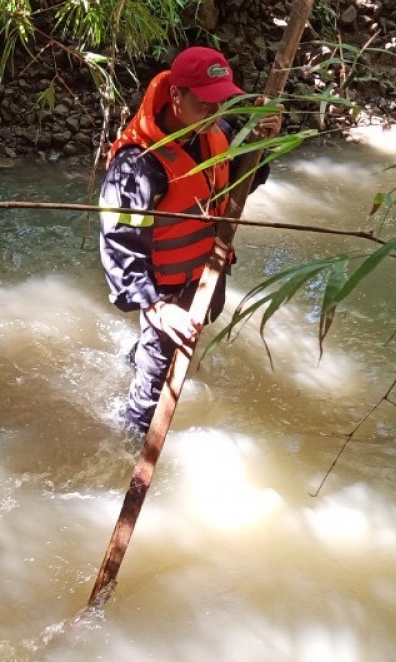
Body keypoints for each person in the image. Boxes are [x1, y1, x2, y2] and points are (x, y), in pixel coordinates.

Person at [98, 46, 279, 435]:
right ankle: (125, 447)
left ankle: (136, 355)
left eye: (220, 105)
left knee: (165, 351)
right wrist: (156, 307)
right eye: (204, 105)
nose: (215, 116)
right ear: (176, 97)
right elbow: (119, 244)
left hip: (200, 273)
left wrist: (263, 144)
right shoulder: (138, 166)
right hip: (163, 289)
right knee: (150, 400)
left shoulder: (213, 130)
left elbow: (240, 183)